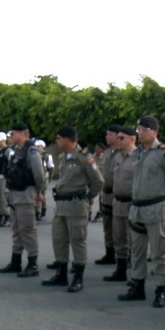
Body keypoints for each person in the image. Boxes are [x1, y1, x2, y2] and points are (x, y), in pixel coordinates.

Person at [120, 116, 165, 306]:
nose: (139, 132)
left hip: (156, 208)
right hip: (137, 208)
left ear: (154, 131)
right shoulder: (138, 153)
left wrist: (162, 199)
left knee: (159, 252)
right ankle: (137, 286)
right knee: (137, 252)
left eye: (143, 129)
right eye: (138, 128)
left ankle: (160, 290)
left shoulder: (164, 154)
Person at [42, 126, 103, 293]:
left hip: (76, 205)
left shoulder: (84, 158)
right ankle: (61, 274)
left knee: (77, 240)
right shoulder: (63, 156)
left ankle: (78, 277)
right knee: (59, 239)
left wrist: (88, 198)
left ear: (68, 139)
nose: (57, 141)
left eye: (59, 138)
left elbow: (98, 181)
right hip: (61, 205)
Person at [0, 122, 47, 278]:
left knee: (28, 229)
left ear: (22, 134)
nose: (10, 137)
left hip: (26, 193)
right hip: (14, 193)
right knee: (16, 229)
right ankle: (16, 261)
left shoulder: (32, 151)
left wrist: (39, 191)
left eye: (13, 134)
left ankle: (33, 263)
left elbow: (39, 175)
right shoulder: (15, 150)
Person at [105, 126, 137, 284]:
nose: (118, 140)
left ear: (132, 139)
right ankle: (121, 269)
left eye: (122, 138)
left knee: (134, 240)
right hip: (117, 202)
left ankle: (136, 274)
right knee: (119, 238)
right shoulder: (118, 157)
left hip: (132, 203)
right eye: (117, 137)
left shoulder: (138, 157)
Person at [95, 124, 122, 265]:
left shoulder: (122, 153)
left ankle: (124, 256)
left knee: (120, 228)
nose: (106, 137)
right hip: (105, 194)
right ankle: (109, 253)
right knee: (107, 226)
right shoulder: (106, 153)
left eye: (109, 134)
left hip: (116, 195)